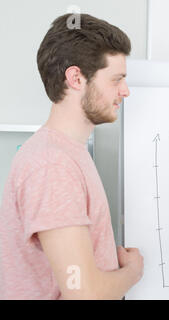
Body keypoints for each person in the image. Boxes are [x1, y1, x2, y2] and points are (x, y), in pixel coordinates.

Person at [0, 13, 143, 299]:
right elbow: (84, 295)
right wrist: (133, 272)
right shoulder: (52, 166)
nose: (125, 91)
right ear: (76, 78)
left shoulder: (66, 155)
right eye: (116, 80)